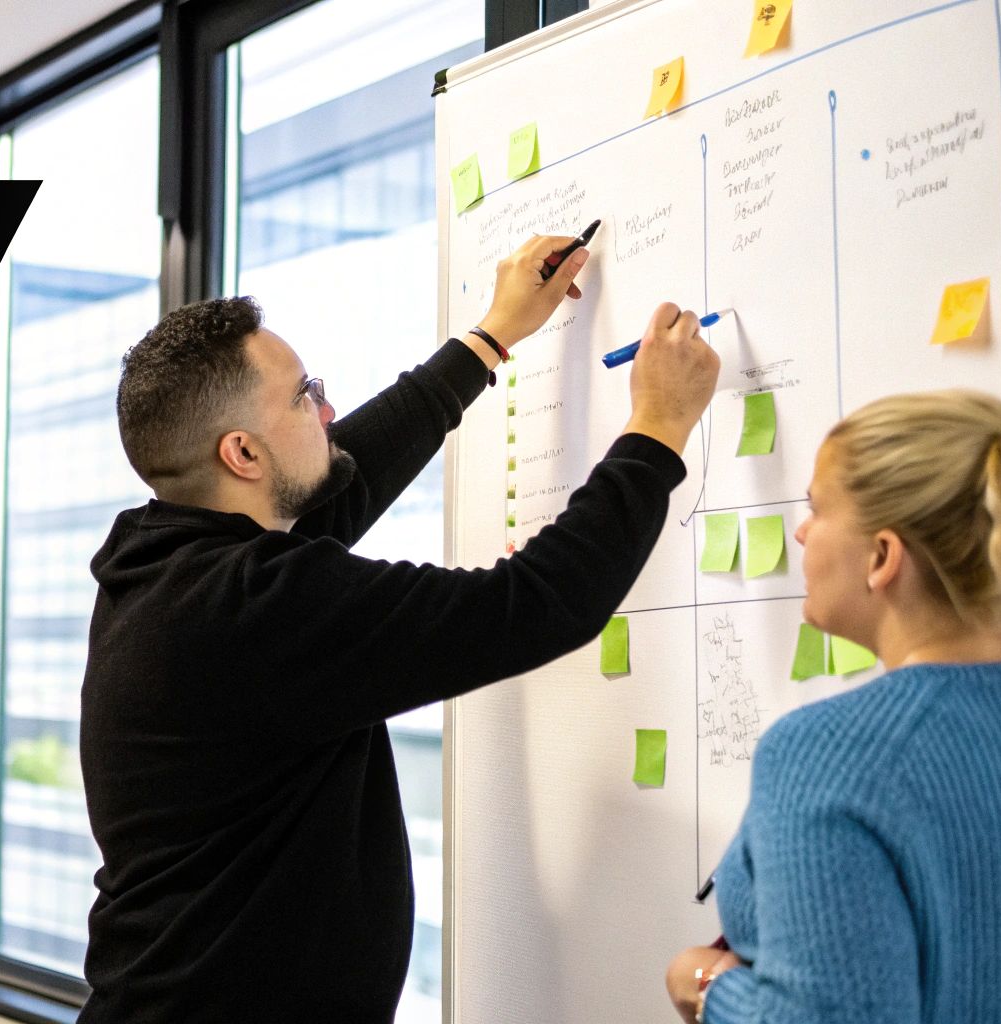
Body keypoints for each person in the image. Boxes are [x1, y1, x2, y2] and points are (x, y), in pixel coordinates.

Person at [78, 234, 721, 1022]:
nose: (328, 410)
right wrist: (657, 427)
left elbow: (341, 480)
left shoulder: (163, 564)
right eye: (302, 396)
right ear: (242, 452)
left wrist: (489, 338)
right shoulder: (251, 608)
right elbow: (542, 602)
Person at [666, 390, 1001, 1024]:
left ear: (883, 557)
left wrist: (705, 985)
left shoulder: (825, 756)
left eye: (817, 508)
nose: (802, 531)